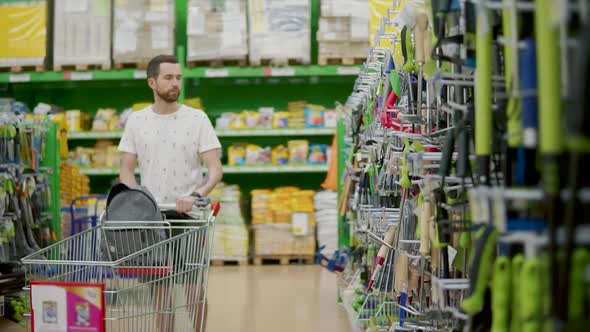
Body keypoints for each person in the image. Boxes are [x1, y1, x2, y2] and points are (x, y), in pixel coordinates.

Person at [117, 54, 222, 332]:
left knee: (192, 288)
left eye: (178, 77)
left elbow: (215, 171)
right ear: (152, 82)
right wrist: (136, 200)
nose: (175, 83)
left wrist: (196, 195)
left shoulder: (197, 119)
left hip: (188, 217)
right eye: (168, 77)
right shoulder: (136, 121)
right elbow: (126, 170)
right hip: (152, 218)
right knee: (160, 291)